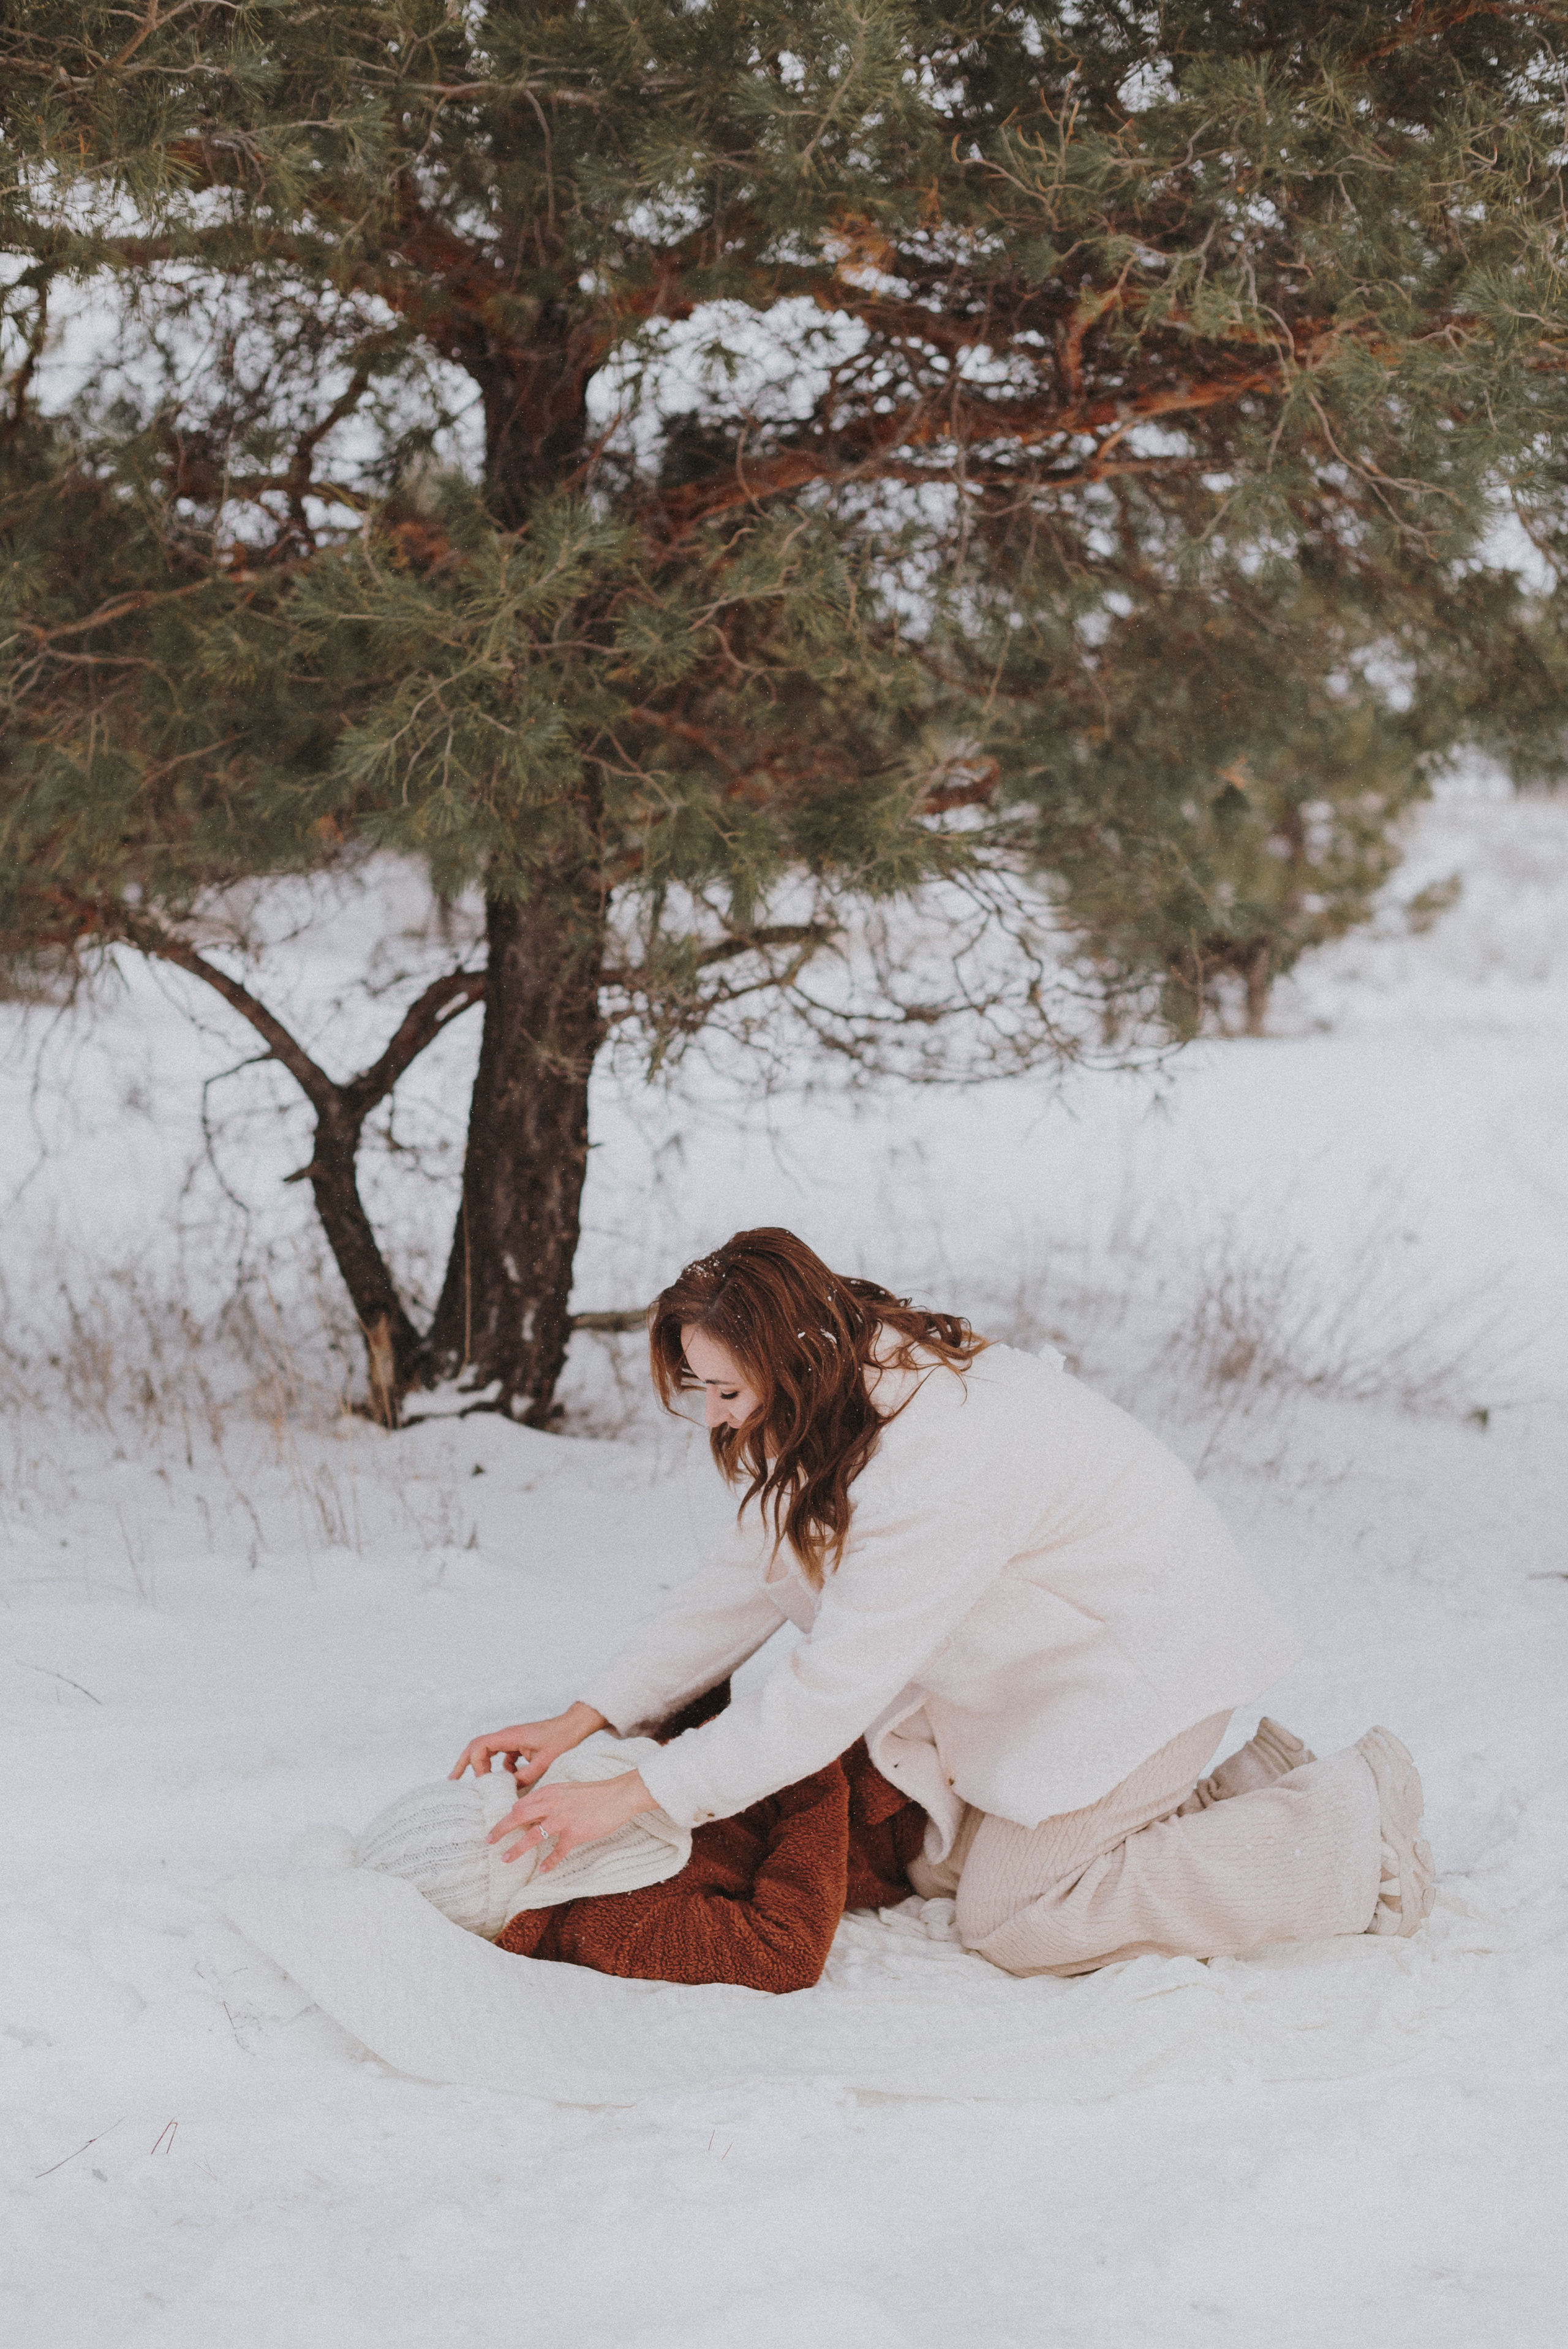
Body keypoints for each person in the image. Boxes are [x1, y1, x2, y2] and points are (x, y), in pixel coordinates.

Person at [452, 1229, 1434, 1978]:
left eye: (723, 1390)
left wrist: (635, 1793)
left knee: (1015, 1915)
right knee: (950, 1855)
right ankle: (1253, 1787)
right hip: (1057, 1660)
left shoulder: (937, 1461)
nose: (711, 1416)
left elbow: (827, 1690)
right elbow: (734, 1580)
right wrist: (585, 1716)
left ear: (789, 1359)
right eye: (700, 1389)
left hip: (1143, 1664)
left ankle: (1346, 1830)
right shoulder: (841, 1387)